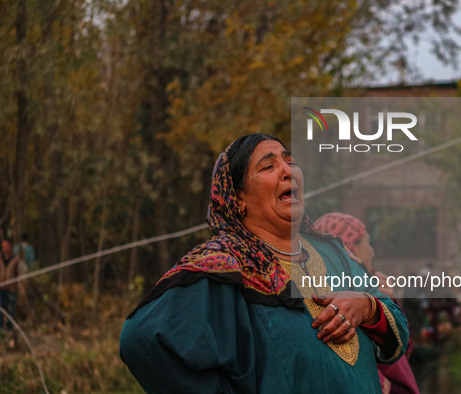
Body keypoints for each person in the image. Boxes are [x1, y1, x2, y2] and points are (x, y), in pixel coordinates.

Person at [120, 134, 409, 393]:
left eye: (290, 162)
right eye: (268, 167)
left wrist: (367, 307)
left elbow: (399, 325)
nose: (287, 171)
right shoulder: (226, 264)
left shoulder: (332, 250)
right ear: (238, 198)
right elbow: (141, 340)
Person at [314, 213, 419, 394]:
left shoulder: (369, 291)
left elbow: (401, 349)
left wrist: (387, 303)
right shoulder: (339, 302)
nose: (372, 252)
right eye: (367, 243)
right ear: (350, 249)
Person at [0, 240, 21, 330]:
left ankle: (10, 328)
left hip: (11, 290)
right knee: (0, 310)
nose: (5, 249)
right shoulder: (0, 258)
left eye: (6, 246)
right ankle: (1, 328)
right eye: (3, 247)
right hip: (0, 289)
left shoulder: (15, 260)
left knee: (10, 309)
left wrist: (17, 287)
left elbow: (18, 274)